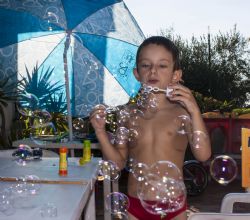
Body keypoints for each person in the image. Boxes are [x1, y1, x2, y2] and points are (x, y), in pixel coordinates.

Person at [90, 36, 211, 220]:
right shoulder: (128, 114)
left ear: (175, 75)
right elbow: (118, 163)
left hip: (174, 207)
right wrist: (100, 132)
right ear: (137, 73)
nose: (153, 71)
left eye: (162, 65)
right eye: (146, 65)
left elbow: (203, 155)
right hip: (135, 206)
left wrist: (194, 108)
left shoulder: (183, 114)